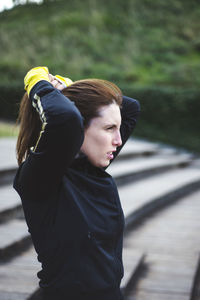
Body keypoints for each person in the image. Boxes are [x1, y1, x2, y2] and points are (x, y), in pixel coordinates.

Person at [13, 67, 140, 300]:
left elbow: (131, 107)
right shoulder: (42, 177)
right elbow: (65, 118)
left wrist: (69, 90)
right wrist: (37, 80)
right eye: (110, 128)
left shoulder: (91, 169)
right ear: (77, 130)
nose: (119, 140)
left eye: (118, 129)